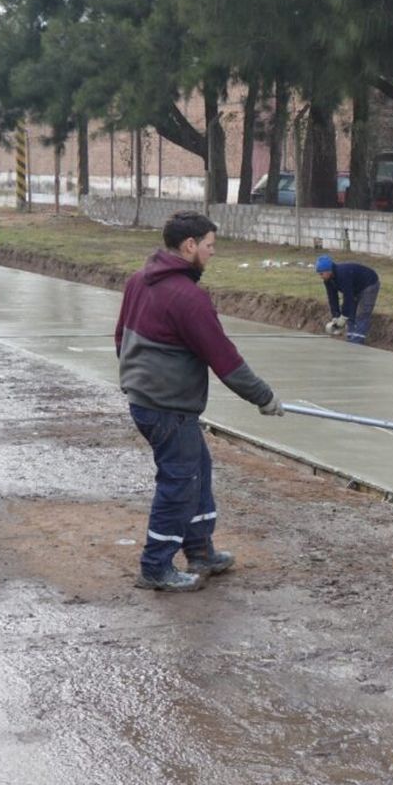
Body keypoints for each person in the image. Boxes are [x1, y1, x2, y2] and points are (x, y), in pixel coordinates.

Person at [115, 210, 285, 592]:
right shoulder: (189, 298)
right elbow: (223, 358)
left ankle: (201, 551)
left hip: (147, 400)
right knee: (179, 482)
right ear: (189, 245)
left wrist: (136, 380)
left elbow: (119, 337)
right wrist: (264, 397)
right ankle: (155, 567)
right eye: (209, 246)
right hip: (167, 407)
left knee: (198, 472)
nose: (211, 254)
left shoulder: (138, 281)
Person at [316, 255, 381, 344]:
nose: (320, 276)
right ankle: (351, 337)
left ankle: (357, 340)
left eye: (321, 273)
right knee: (351, 312)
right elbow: (332, 297)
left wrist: (343, 317)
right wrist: (336, 316)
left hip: (369, 284)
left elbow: (348, 297)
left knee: (362, 312)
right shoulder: (327, 280)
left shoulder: (342, 274)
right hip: (355, 287)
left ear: (328, 271)